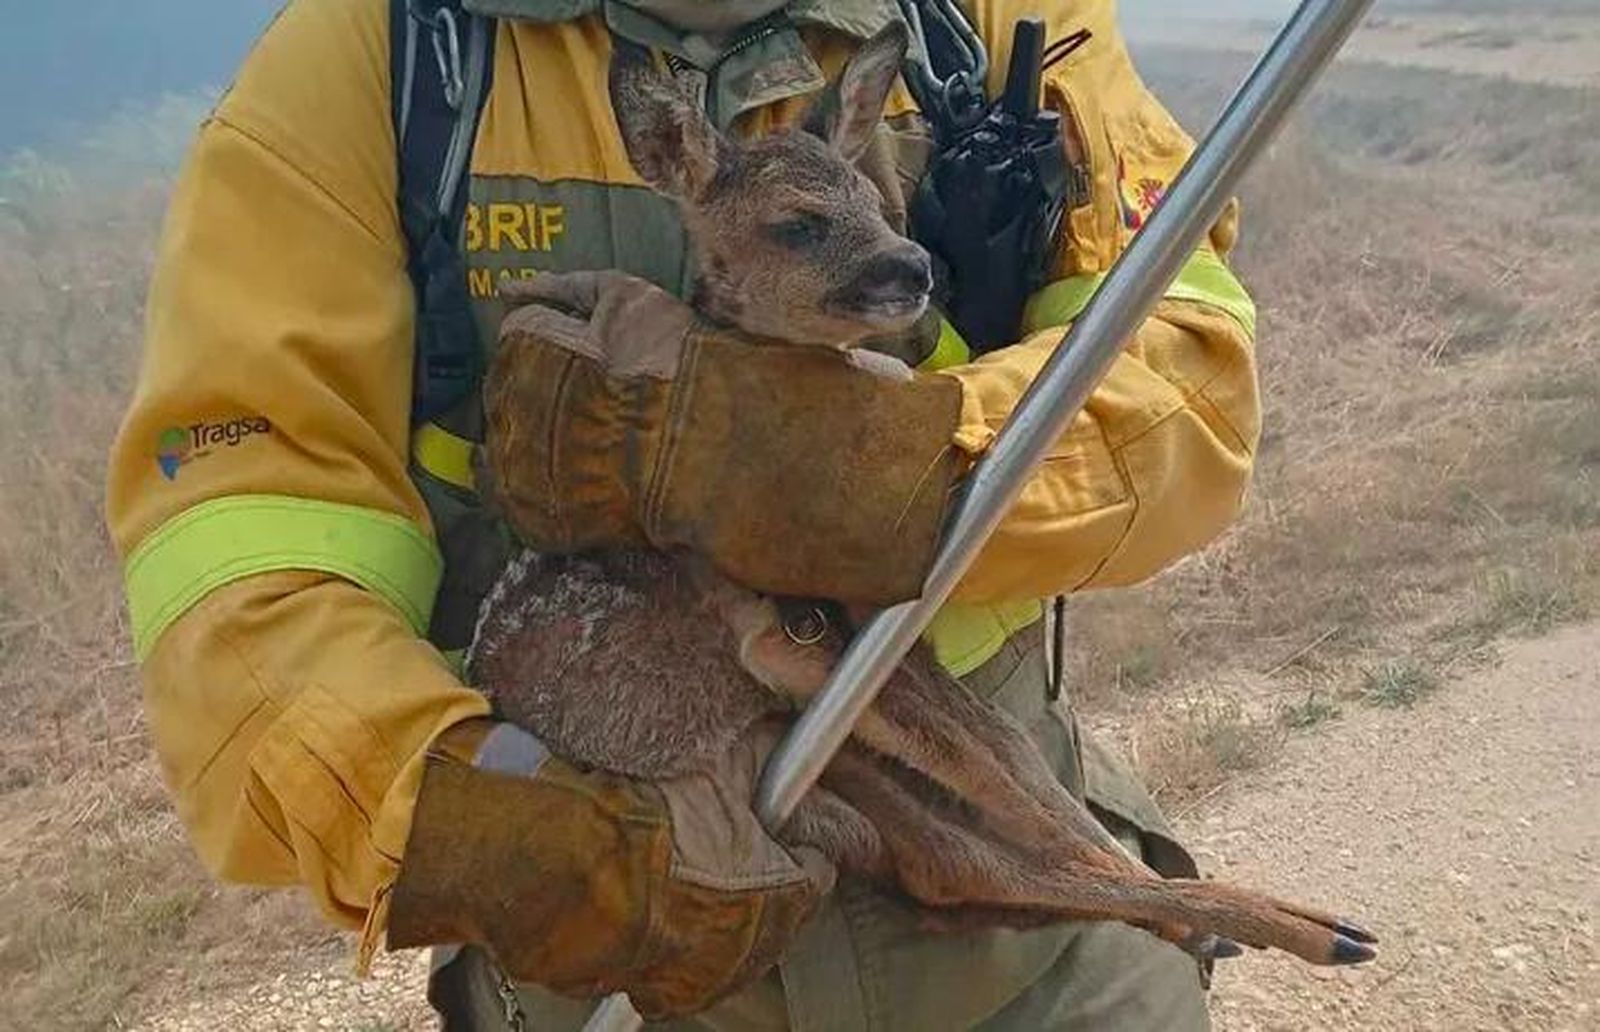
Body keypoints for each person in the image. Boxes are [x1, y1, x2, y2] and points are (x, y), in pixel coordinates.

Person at [106, 0, 1261, 1028]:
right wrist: (469, 814)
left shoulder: (1001, 16)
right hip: (633, 968)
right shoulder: (383, 58)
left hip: (1033, 936)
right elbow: (241, 536)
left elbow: (1188, 376)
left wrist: (896, 471)